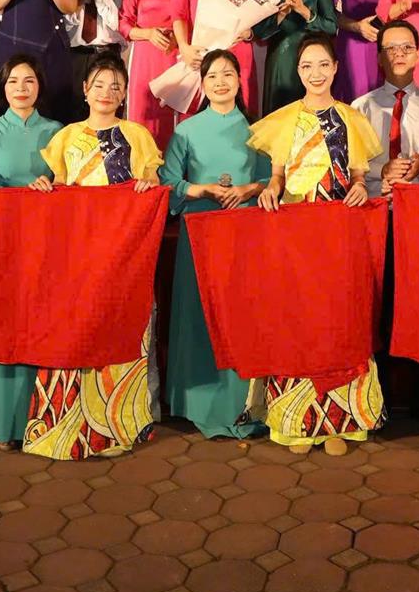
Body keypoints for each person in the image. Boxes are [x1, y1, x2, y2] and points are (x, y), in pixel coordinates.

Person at [250, 37, 386, 455]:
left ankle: (339, 422)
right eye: (307, 66)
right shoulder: (285, 120)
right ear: (298, 72)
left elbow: (358, 175)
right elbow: (277, 176)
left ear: (335, 68)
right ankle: (296, 420)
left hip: (339, 229)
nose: (315, 73)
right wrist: (270, 189)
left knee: (339, 317)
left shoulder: (351, 119)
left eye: (323, 64)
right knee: (297, 317)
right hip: (296, 231)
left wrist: (360, 187)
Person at [27, 54, 162, 459]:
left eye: (115, 86)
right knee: (76, 329)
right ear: (85, 90)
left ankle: (120, 424)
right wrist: (45, 188)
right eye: (99, 84)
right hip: (78, 253)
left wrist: (149, 184)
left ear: (124, 95)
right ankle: (67, 427)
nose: (107, 92)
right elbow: (60, 187)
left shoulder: (137, 135)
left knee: (124, 327)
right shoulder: (66, 137)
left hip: (123, 252)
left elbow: (153, 182)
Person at [162, 50, 269, 438]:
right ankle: (200, 404)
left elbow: (272, 180)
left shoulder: (260, 130)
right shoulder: (186, 131)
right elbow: (168, 182)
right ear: (202, 84)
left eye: (228, 74)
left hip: (245, 234)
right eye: (212, 76)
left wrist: (248, 189)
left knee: (241, 316)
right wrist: (200, 189)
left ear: (240, 81)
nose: (221, 82)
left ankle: (243, 405)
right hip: (199, 234)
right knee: (200, 315)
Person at [0, 54, 63, 447]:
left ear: (40, 86)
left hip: (45, 241)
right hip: (1, 240)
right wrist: (26, 192)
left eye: (29, 81)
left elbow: (66, 181)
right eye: (13, 82)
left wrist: (51, 186)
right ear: (2, 87)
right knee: (2, 323)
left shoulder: (58, 131)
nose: (21, 89)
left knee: (42, 323)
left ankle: (42, 420)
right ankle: (3, 424)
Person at [351, 20, 419, 195]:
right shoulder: (361, 107)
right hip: (374, 203)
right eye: (391, 48)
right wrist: (382, 170)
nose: (399, 53)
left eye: (407, 47)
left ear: (418, 55)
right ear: (379, 58)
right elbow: (350, 162)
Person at [120, 0, 191, 144]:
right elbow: (124, 24)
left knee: (180, 119)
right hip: (146, 58)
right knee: (144, 117)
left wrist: (182, 39)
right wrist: (149, 34)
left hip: (182, 57)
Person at [254, 0, 337, 110]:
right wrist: (281, 14)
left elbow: (332, 28)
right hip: (280, 65)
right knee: (279, 118)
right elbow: (259, 33)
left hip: (314, 66)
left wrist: (304, 11)